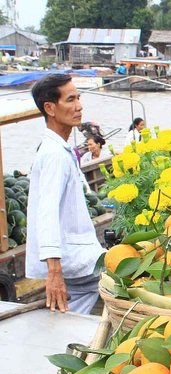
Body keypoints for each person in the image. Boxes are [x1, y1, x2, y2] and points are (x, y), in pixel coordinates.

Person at [27, 73, 105, 314]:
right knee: (128, 278)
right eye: (70, 100)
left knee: (76, 304)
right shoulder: (54, 155)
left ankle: (69, 336)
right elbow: (46, 211)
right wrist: (54, 269)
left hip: (76, 254)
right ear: (50, 108)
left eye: (79, 98)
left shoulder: (61, 149)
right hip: (74, 259)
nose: (79, 106)